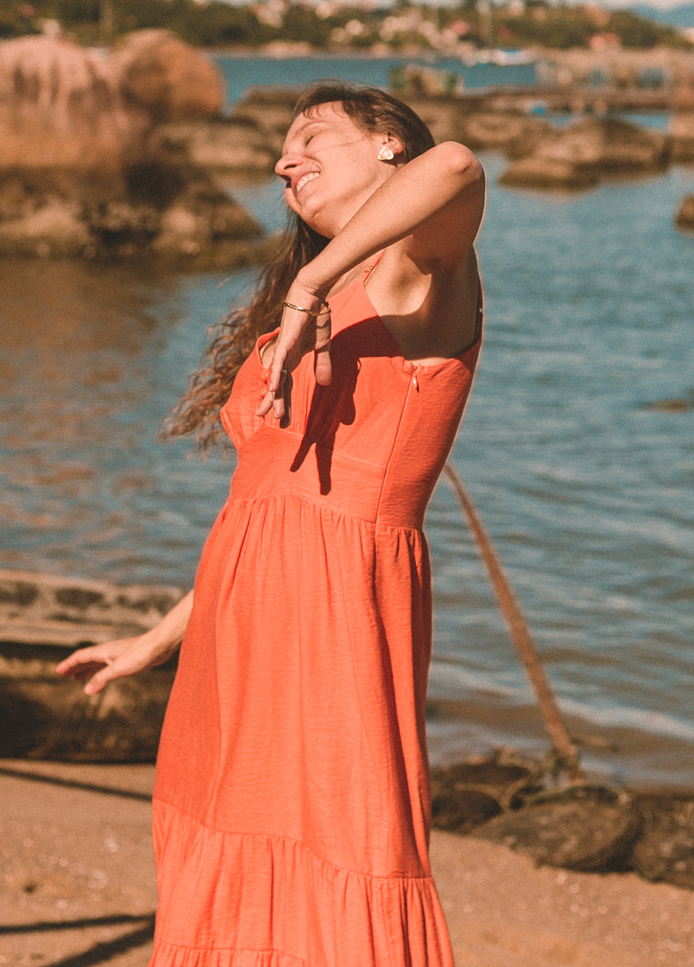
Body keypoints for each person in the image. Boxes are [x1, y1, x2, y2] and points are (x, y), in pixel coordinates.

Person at [57, 82, 486, 967]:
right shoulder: (319, 299)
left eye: (312, 139)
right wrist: (160, 636)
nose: (283, 162)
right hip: (237, 629)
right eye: (281, 153)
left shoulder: (415, 276)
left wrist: (312, 283)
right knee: (225, 842)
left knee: (340, 849)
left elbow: (461, 163)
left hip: (340, 618)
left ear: (388, 150)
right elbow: (267, 508)